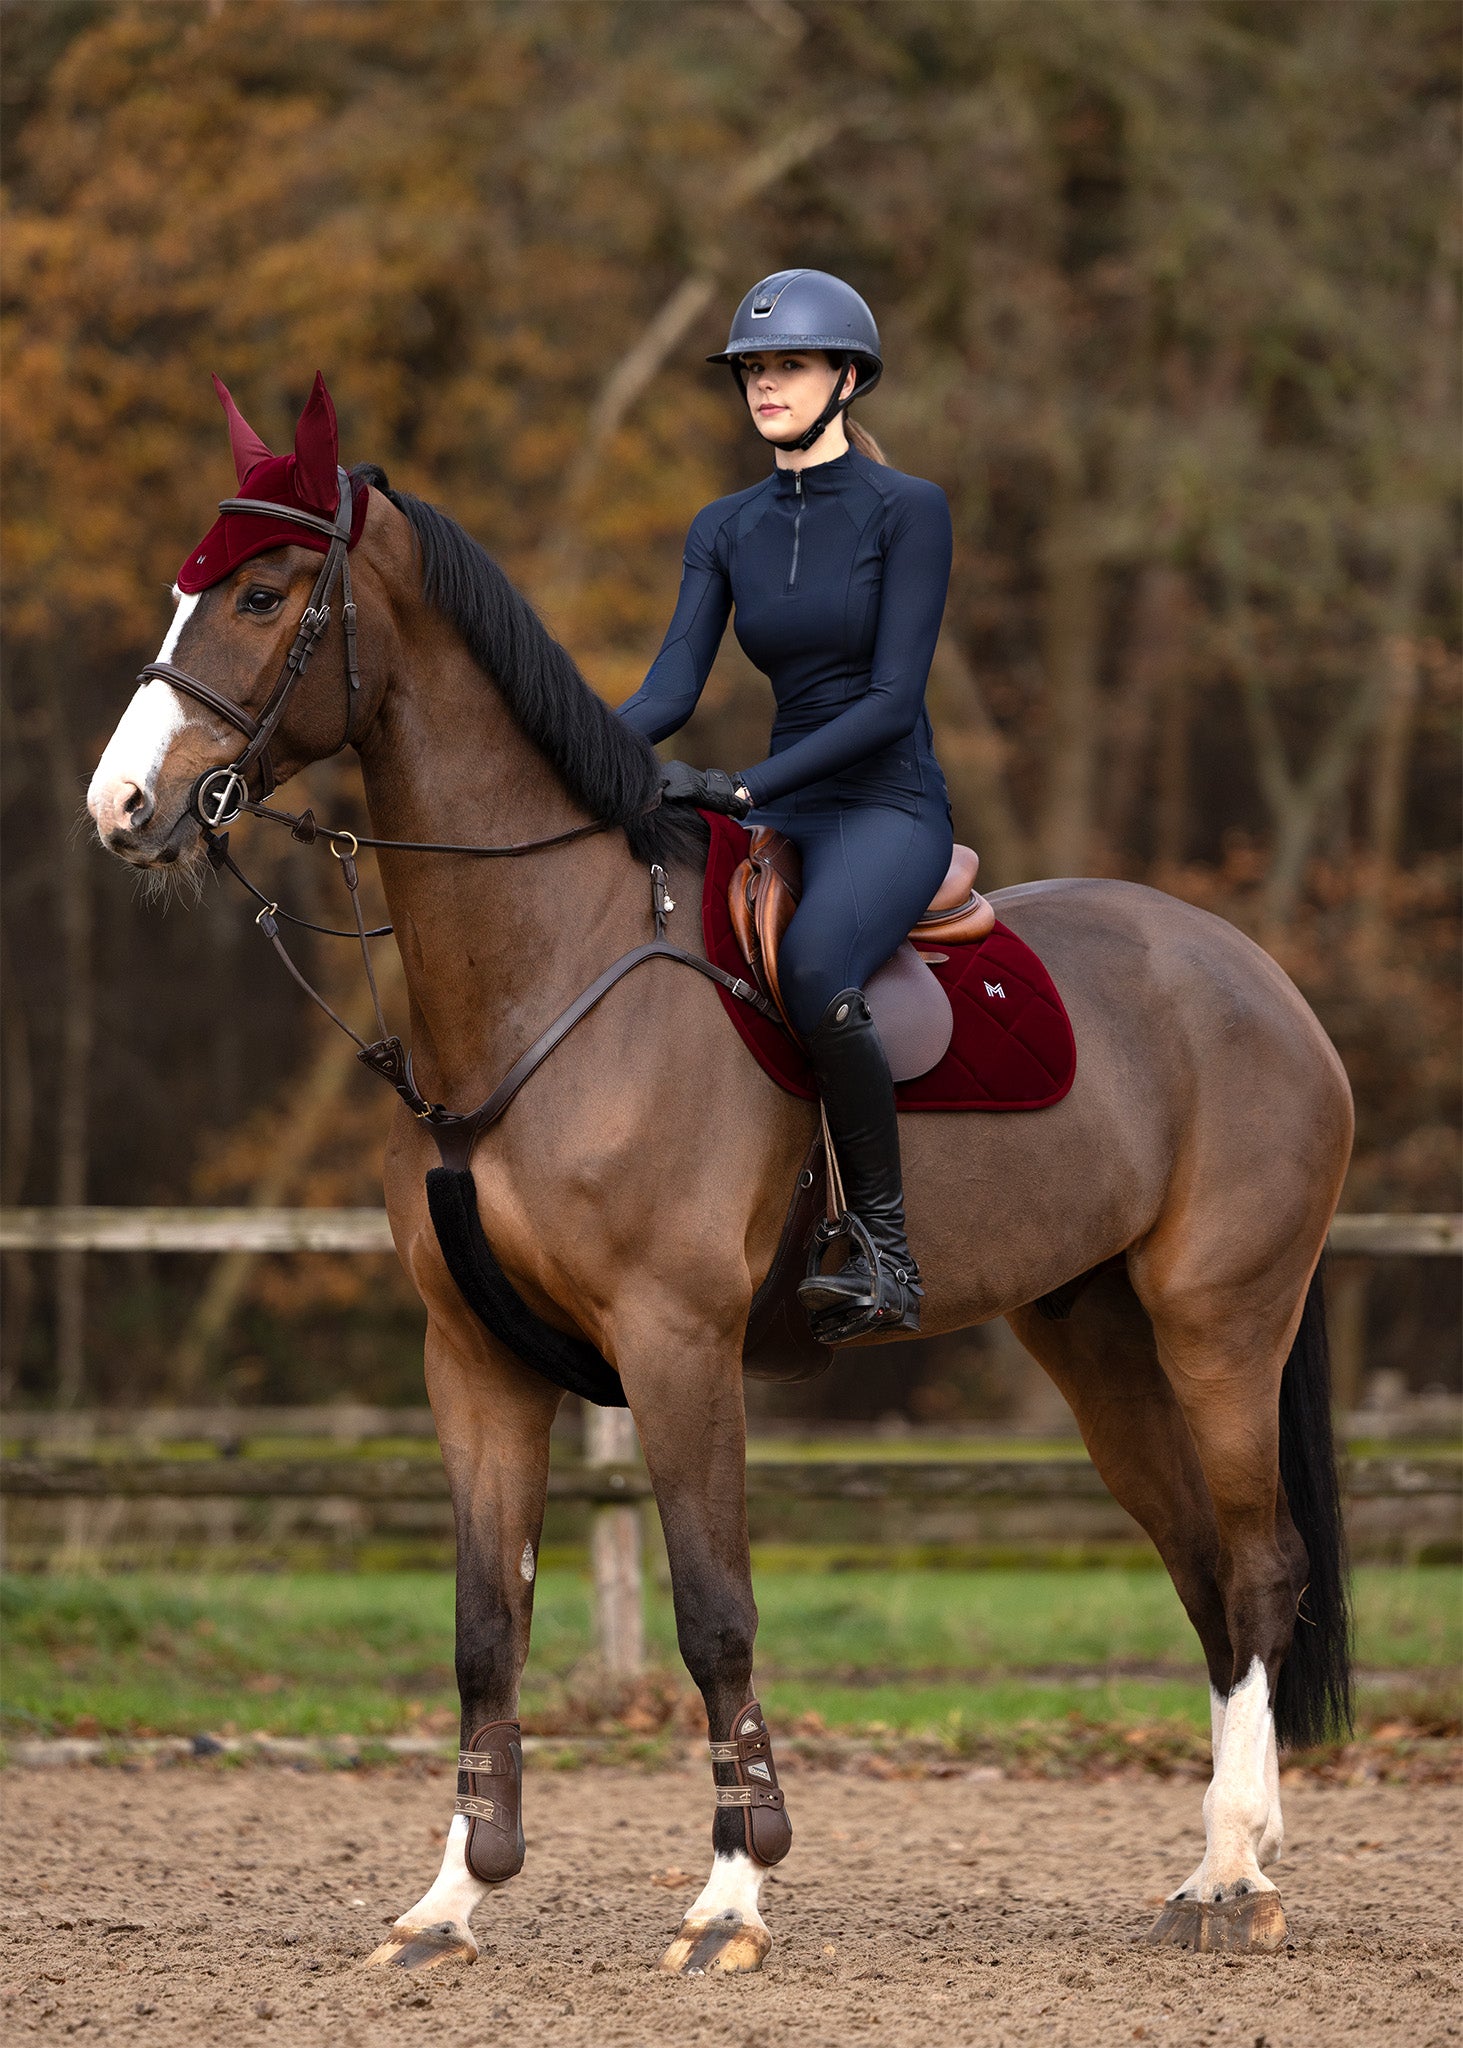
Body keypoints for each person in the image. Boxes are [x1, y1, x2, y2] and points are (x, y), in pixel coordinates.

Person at [618, 268, 954, 1343]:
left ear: (846, 378)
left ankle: (885, 1252)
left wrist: (746, 785)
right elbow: (671, 688)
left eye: (788, 365)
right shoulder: (724, 526)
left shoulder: (910, 510)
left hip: (885, 803)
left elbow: (893, 698)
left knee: (813, 964)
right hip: (786, 808)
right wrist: (566, 749)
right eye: (752, 369)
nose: (764, 384)